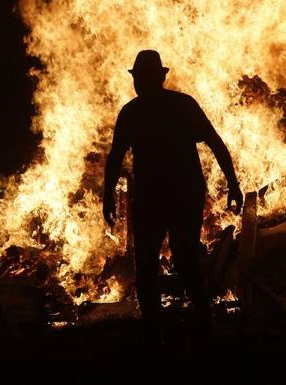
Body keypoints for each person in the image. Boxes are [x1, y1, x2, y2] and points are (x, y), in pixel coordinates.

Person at [103, 50, 243, 338]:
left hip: (165, 195)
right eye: (137, 77)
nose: (139, 82)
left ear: (156, 78)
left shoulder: (138, 112)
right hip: (175, 194)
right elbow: (215, 143)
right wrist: (232, 183)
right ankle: (188, 324)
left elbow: (116, 157)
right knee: (171, 257)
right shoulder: (177, 106)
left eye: (142, 77)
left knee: (161, 258)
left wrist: (234, 183)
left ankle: (171, 326)